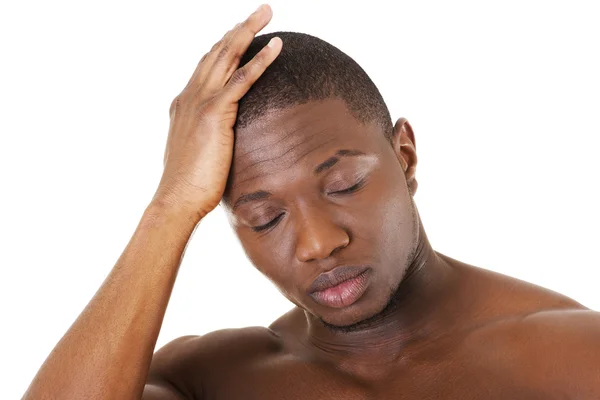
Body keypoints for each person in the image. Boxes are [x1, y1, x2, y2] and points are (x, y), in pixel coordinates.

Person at [22, 4, 600, 399]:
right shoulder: (213, 380)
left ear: (405, 156)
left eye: (344, 185)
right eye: (265, 217)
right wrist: (170, 207)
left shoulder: (572, 355)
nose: (320, 242)